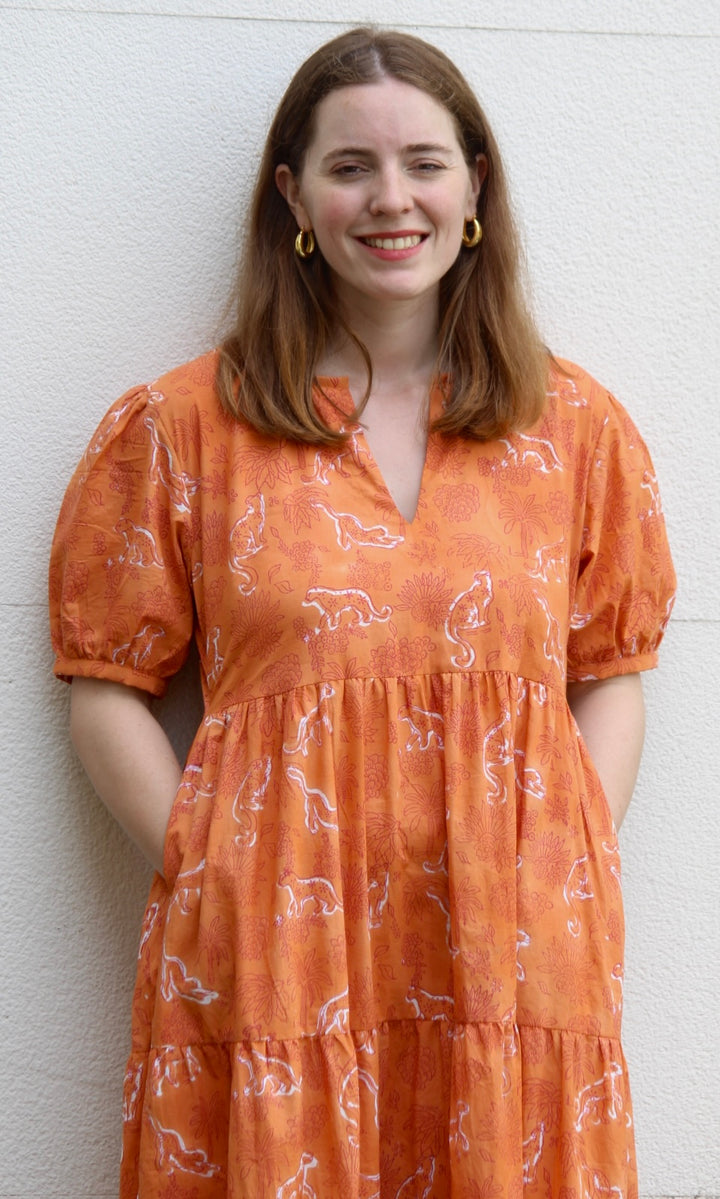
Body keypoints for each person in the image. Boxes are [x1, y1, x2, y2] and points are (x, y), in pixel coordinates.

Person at [49, 26, 676, 1199]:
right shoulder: (184, 427)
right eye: (351, 167)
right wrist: (211, 867)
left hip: (510, 950)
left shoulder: (574, 429)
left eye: (424, 163)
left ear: (474, 186)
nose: (393, 199)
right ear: (293, 196)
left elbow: (611, 668)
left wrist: (568, 855)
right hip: (275, 951)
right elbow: (105, 685)